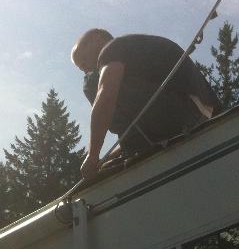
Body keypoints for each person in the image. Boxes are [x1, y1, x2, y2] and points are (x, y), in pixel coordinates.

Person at [71, 28, 222, 179]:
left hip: (187, 109)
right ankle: (132, 150)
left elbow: (106, 96)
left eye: (82, 59)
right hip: (197, 110)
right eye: (80, 68)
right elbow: (133, 123)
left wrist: (92, 156)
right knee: (99, 87)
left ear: (97, 38)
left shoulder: (111, 49)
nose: (85, 69)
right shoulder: (134, 54)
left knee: (92, 85)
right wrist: (109, 157)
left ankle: (138, 149)